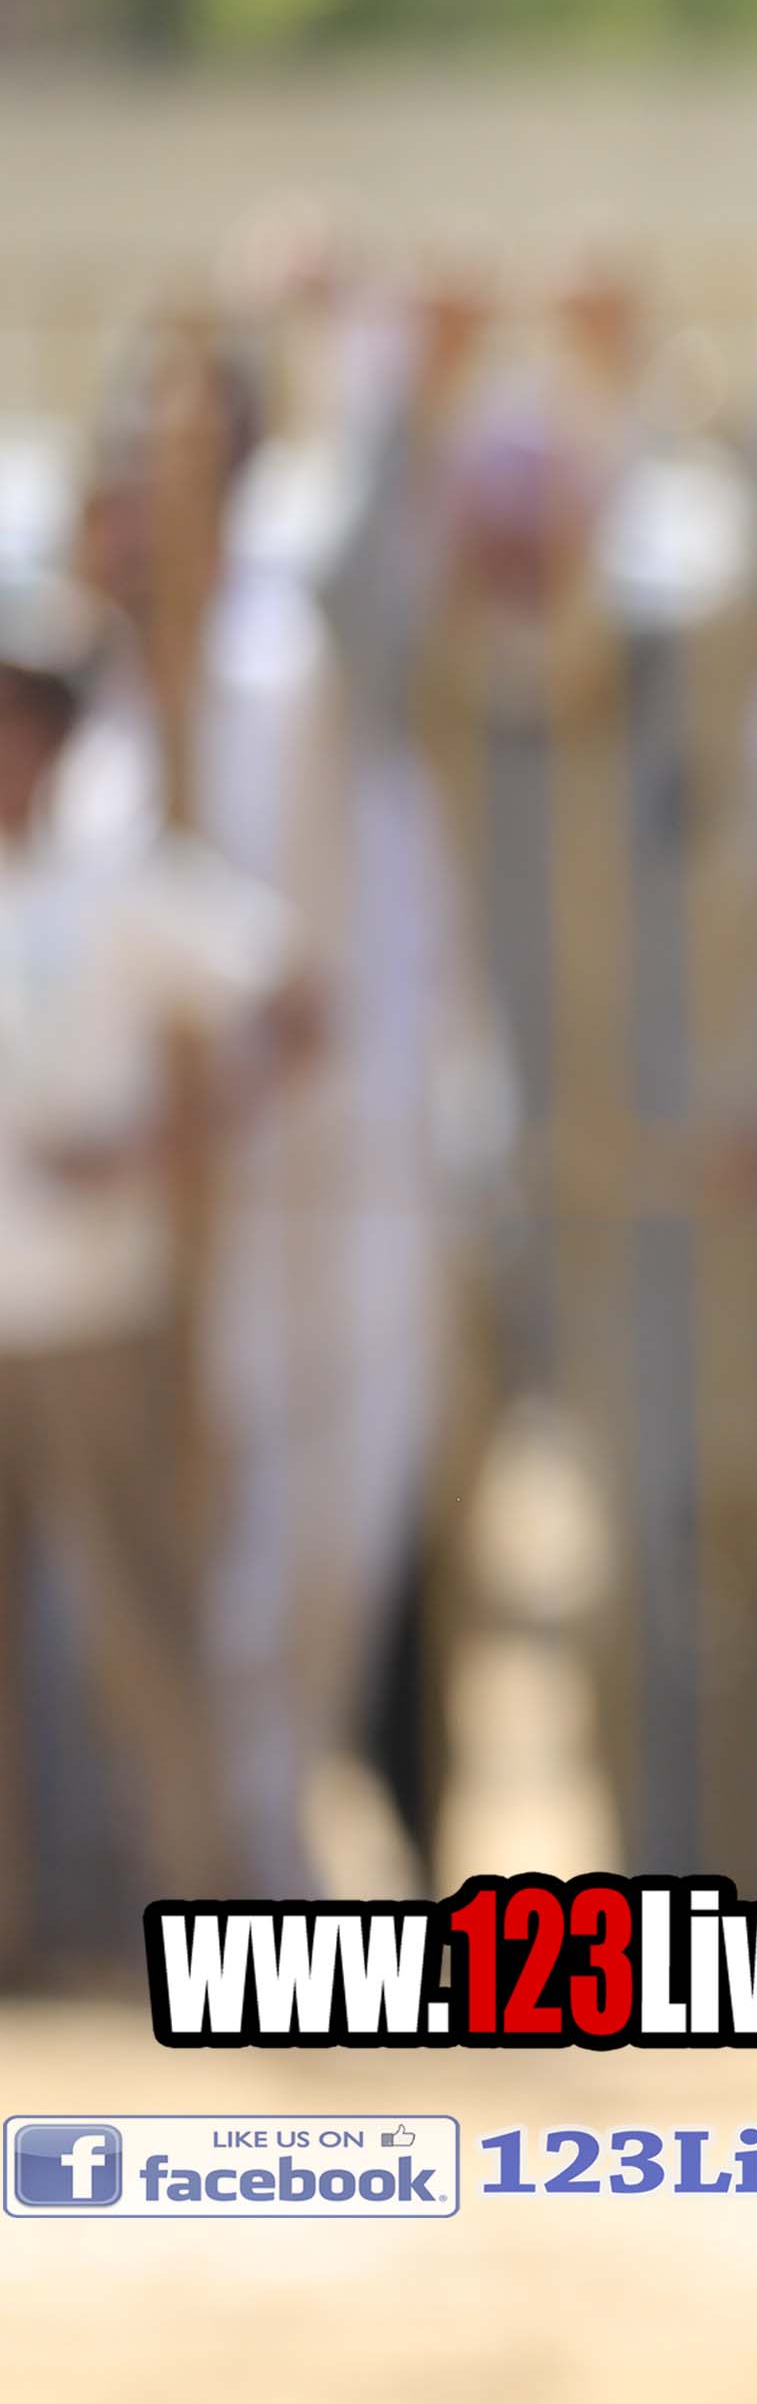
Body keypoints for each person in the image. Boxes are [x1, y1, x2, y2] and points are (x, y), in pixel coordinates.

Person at [0, 572, 282, 1969]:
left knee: (138, 1622)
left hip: (91, 1310)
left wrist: (155, 1146)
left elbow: (291, 1002)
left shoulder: (119, 878)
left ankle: (204, 1911)